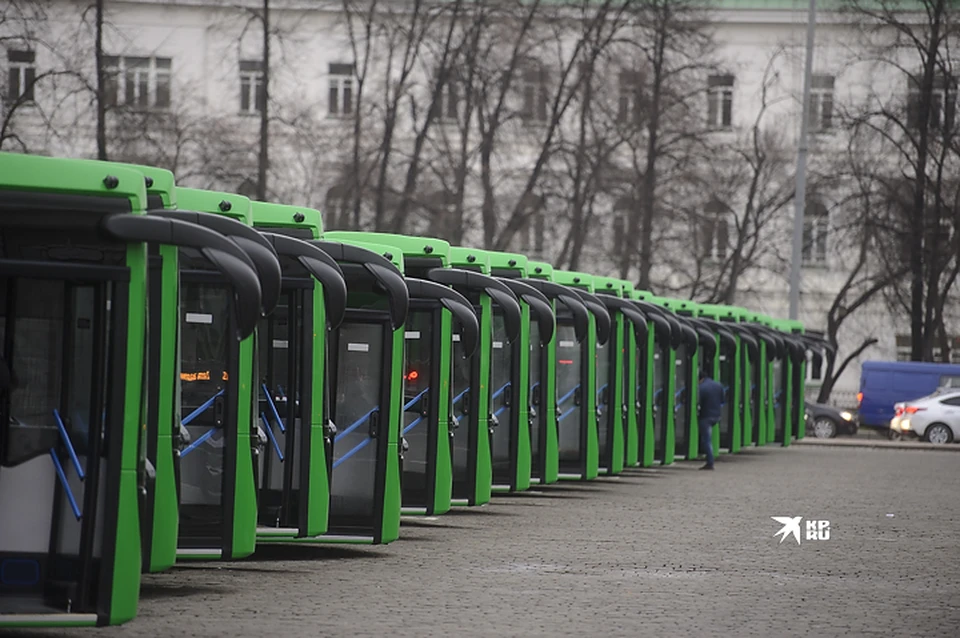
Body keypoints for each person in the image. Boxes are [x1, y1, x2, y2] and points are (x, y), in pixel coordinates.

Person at [697, 368, 724, 470]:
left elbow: (699, 402)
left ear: (700, 379)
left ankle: (710, 462)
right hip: (716, 415)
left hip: (706, 416)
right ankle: (709, 458)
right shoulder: (718, 385)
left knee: (706, 440)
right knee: (708, 438)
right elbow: (722, 400)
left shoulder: (701, 387)